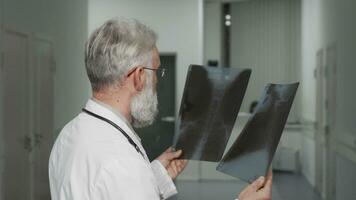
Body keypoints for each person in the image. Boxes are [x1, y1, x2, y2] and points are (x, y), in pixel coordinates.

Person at [48, 17, 272, 200]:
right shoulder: (122, 164)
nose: (157, 82)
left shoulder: (67, 136)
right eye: (156, 72)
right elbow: (121, 180)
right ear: (138, 77)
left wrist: (155, 175)